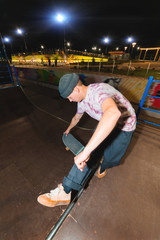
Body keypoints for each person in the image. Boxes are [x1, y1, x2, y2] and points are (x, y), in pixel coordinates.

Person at [37, 73, 136, 207]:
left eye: (70, 97)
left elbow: (113, 113)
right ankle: (66, 191)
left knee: (111, 159)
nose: (70, 100)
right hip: (106, 122)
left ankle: (103, 166)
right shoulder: (81, 100)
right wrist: (69, 129)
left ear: (76, 89)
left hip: (124, 126)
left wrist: (85, 152)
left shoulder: (98, 93)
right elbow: (77, 118)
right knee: (89, 153)